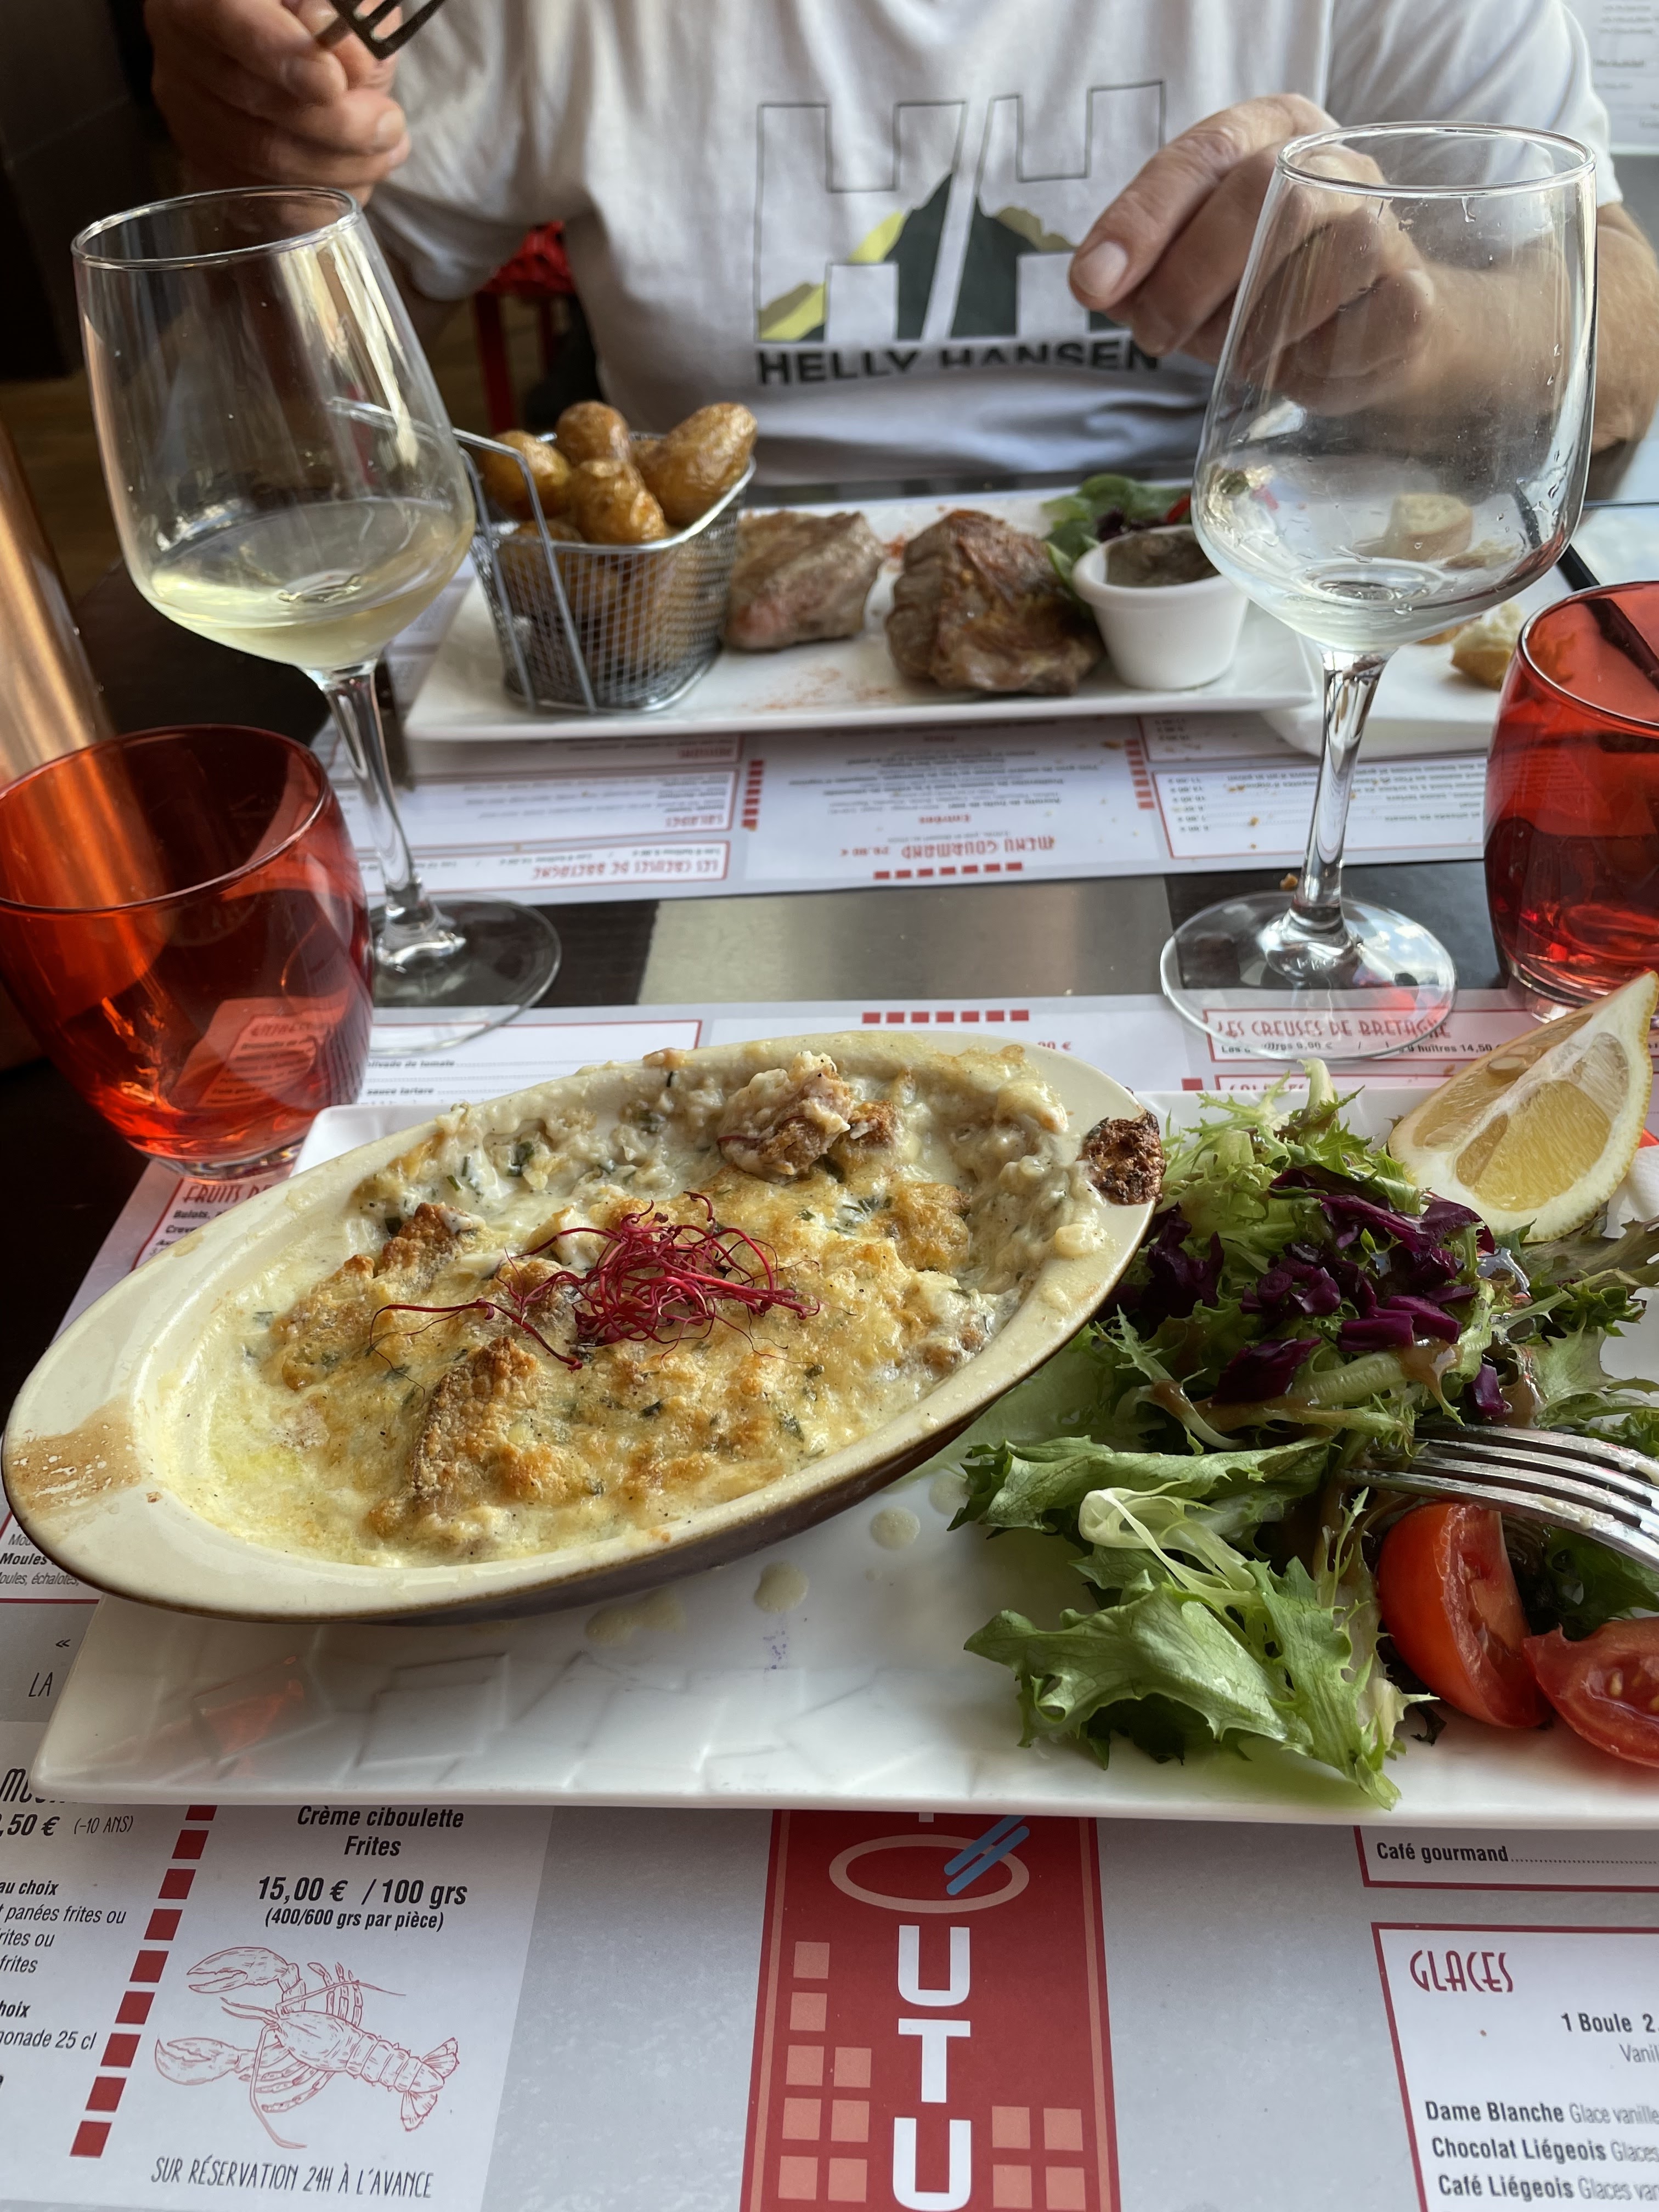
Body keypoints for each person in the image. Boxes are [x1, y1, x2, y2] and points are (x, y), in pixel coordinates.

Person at [146, 0, 1659, 481]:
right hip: (696, 663)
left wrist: (1417, 332)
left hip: (1234, 611)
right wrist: (254, 178)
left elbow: (1627, 354)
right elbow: (269, 441)